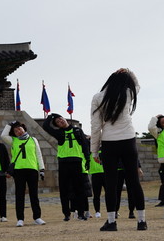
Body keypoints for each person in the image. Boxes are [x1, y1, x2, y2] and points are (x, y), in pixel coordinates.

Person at [90, 68, 146, 231]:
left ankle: (112, 221)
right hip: (128, 139)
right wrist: (130, 72)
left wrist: (94, 151)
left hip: (109, 142)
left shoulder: (98, 97)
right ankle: (141, 221)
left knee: (111, 183)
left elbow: (95, 126)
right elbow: (137, 85)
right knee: (134, 182)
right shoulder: (128, 92)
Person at [42, 112, 91, 221]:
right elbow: (45, 126)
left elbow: (84, 145)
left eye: (61, 119)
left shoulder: (77, 130)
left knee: (79, 189)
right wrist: (51, 116)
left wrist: (87, 159)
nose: (60, 121)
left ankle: (81, 213)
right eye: (58, 122)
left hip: (77, 161)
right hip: (64, 163)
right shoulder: (58, 133)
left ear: (66, 119)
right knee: (64, 189)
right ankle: (66, 213)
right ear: (57, 125)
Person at [1, 121, 46, 227]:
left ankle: (37, 217)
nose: (18, 132)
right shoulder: (13, 141)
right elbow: (3, 135)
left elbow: (38, 154)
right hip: (19, 170)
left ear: (24, 129)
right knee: (20, 195)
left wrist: (42, 169)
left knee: (34, 195)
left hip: (32, 169)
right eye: (16, 131)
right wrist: (10, 124)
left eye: (20, 129)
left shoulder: (33, 140)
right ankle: (20, 219)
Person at [89, 147, 105, 219]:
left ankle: (112, 210)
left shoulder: (105, 149)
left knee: (109, 193)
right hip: (95, 173)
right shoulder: (91, 150)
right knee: (96, 194)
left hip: (105, 173)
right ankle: (97, 211)